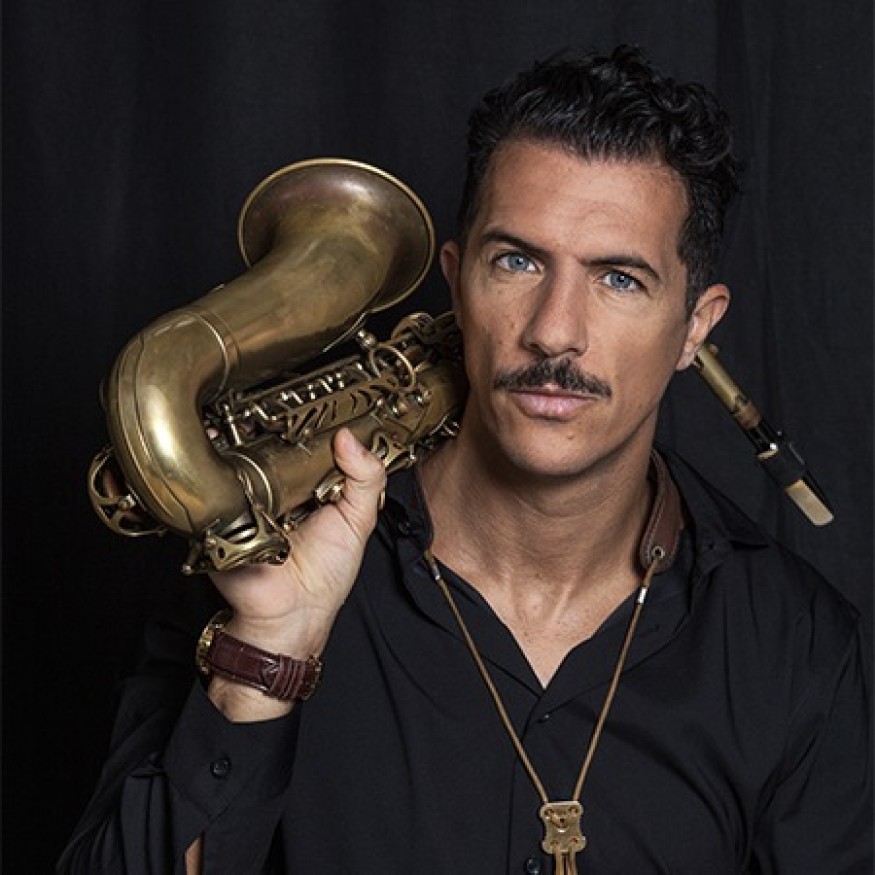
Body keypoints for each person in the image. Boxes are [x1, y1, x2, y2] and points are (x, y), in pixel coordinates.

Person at [58, 46, 871, 874]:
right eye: (516, 261)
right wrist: (267, 656)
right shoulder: (260, 574)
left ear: (695, 326)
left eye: (618, 279)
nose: (553, 331)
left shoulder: (794, 642)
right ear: (456, 279)